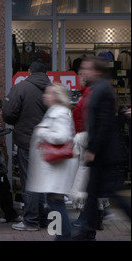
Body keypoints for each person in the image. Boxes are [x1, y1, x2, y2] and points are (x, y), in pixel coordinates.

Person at [72, 57, 131, 241]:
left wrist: (93, 149)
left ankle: (87, 231)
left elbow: (103, 123)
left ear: (96, 71)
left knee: (109, 192)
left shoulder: (103, 89)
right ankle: (87, 231)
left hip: (103, 153)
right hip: (102, 152)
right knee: (93, 193)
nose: (84, 72)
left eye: (87, 69)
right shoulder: (99, 88)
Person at [2, 60, 50, 231]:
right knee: (45, 182)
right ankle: (44, 218)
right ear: (46, 72)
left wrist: (18, 122)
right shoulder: (53, 90)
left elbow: (7, 113)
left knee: (30, 182)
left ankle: (31, 220)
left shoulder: (21, 88)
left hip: (28, 142)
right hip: (50, 144)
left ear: (29, 71)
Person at [26, 83, 79, 240]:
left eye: (48, 93)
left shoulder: (60, 113)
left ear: (55, 96)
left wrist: (43, 133)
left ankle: (63, 236)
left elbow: (62, 137)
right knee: (54, 201)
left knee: (55, 202)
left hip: (56, 167)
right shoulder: (57, 111)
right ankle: (62, 235)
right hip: (55, 167)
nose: (45, 96)